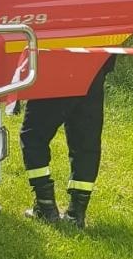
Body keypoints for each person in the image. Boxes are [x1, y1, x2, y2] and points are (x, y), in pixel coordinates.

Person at [20, 57, 115, 228]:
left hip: (58, 67)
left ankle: (45, 207)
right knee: (86, 142)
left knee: (33, 136)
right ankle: (76, 214)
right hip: (93, 67)